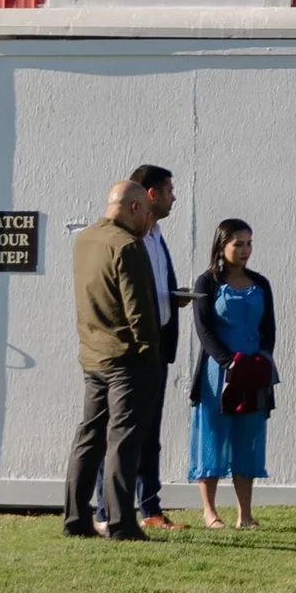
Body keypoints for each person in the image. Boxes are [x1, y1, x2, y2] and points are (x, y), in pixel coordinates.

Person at [62, 177, 162, 541]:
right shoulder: (127, 246)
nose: (149, 222)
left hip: (93, 356)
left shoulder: (85, 240)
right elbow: (139, 311)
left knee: (89, 437)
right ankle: (121, 524)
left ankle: (75, 519)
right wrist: (151, 353)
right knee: (123, 441)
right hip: (127, 360)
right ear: (133, 207)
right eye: (147, 213)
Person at [188, 217, 277, 530]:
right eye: (238, 244)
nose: (245, 250)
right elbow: (203, 329)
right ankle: (210, 512)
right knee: (212, 437)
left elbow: (269, 329)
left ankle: (245, 514)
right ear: (222, 245)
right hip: (217, 374)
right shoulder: (207, 282)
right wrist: (229, 362)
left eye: (249, 243)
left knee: (248, 439)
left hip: (252, 372)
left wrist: (262, 361)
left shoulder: (261, 283)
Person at [124, 162, 183, 532]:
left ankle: (150, 508)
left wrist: (172, 299)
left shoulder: (157, 235)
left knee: (150, 432)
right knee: (124, 431)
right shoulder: (129, 237)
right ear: (151, 194)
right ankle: (106, 509)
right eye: (169, 190)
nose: (173, 197)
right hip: (132, 349)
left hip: (158, 344)